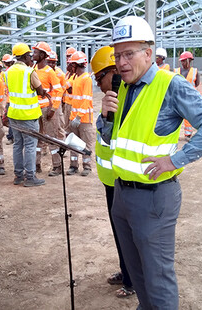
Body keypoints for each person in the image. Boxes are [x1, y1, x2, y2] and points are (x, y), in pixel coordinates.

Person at [100, 16, 202, 309]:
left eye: (128, 54)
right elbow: (115, 138)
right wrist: (105, 118)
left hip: (153, 198)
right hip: (122, 193)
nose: (121, 62)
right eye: (118, 55)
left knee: (158, 278)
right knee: (137, 272)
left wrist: (175, 160)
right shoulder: (124, 87)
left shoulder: (170, 85)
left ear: (148, 53)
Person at [90, 46, 135, 299]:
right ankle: (125, 270)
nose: (98, 84)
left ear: (115, 72)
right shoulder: (112, 96)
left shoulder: (127, 97)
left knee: (128, 234)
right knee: (119, 232)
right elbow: (106, 133)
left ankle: (132, 281)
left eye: (100, 78)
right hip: (111, 179)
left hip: (125, 179)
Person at [6, 42, 50, 187]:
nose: (31, 58)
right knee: (30, 145)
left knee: (18, 144)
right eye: (29, 55)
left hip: (14, 114)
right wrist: (44, 93)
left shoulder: (8, 72)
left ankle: (18, 176)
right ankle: (30, 176)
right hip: (28, 115)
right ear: (25, 56)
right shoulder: (29, 72)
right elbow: (39, 90)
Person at [32, 42, 64, 176]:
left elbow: (59, 90)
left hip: (47, 109)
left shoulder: (49, 72)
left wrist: (53, 109)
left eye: (36, 52)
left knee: (52, 138)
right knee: (37, 138)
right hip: (35, 109)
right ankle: (36, 164)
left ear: (43, 55)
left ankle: (57, 166)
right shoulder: (33, 69)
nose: (33, 54)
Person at [66, 51, 94, 176]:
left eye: (72, 65)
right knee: (74, 142)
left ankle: (87, 166)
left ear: (77, 65)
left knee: (86, 143)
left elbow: (86, 100)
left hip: (84, 119)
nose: (71, 67)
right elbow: (64, 85)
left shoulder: (86, 79)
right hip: (74, 117)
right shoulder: (75, 77)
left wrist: (78, 117)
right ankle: (73, 165)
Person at [174, 51, 201, 139]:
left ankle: (188, 134)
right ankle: (173, 135)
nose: (183, 63)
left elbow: (196, 83)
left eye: (185, 61)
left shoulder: (195, 71)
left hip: (190, 97)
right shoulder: (176, 71)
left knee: (189, 116)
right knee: (175, 116)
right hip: (178, 97)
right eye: (182, 61)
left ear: (190, 60)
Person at [1, 54, 15, 145]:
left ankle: (11, 136)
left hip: (11, 99)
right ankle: (12, 136)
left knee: (11, 119)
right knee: (11, 119)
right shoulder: (8, 72)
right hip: (11, 99)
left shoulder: (7, 72)